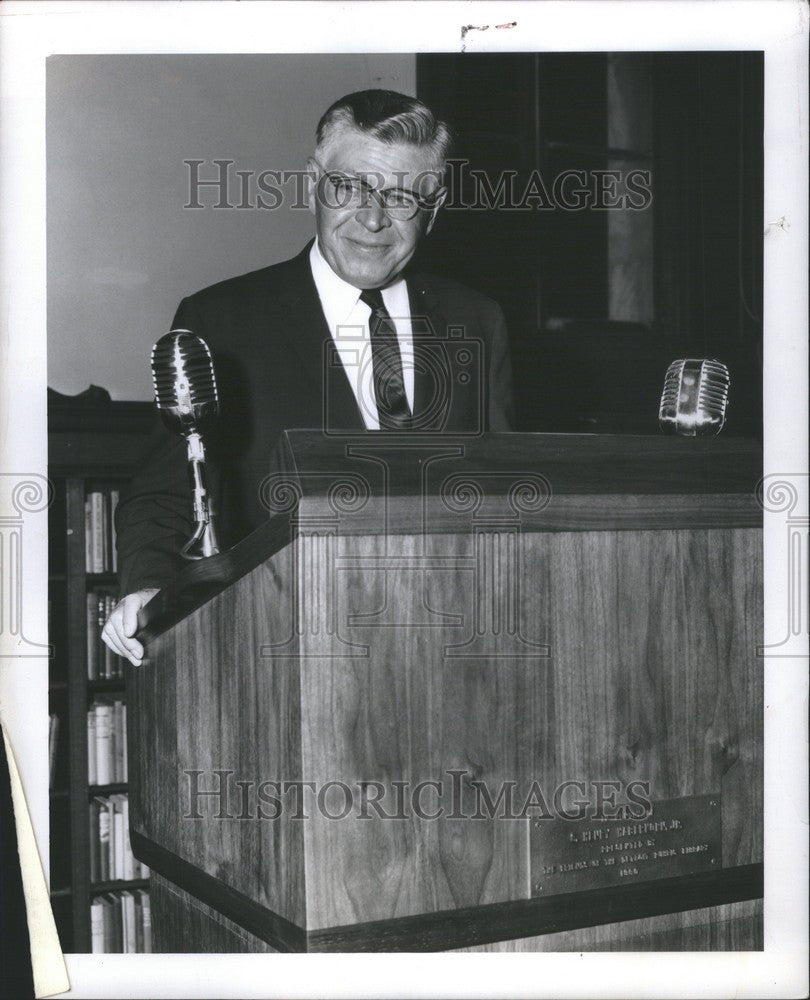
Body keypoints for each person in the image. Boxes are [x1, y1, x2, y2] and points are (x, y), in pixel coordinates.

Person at [102, 88, 514, 665]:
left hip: (450, 649)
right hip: (282, 650)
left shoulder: (478, 319)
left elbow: (504, 496)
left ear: (435, 206)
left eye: (400, 196)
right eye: (350, 188)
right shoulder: (222, 321)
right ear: (314, 181)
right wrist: (149, 590)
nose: (373, 219)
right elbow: (166, 493)